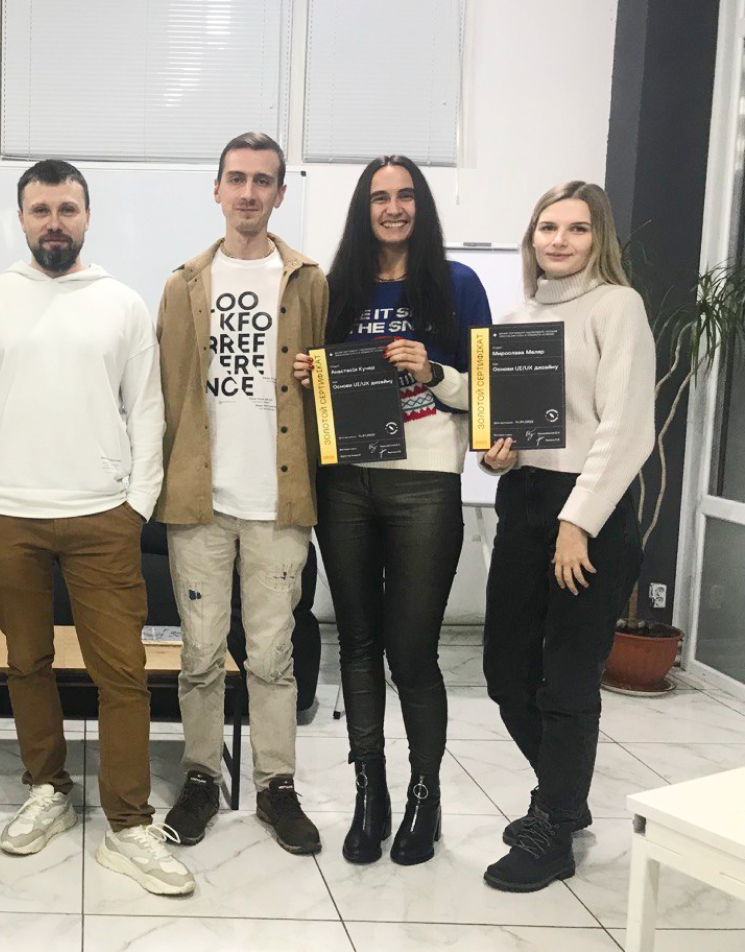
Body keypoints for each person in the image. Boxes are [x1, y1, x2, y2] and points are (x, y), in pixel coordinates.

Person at [0, 159, 193, 896]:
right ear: (21, 218)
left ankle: (129, 824)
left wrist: (136, 504)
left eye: (67, 209)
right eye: (41, 210)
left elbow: (147, 410)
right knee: (27, 662)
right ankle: (47, 788)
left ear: (87, 216)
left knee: (123, 674)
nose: (54, 222)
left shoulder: (120, 303)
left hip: (101, 516)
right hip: (7, 515)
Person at [293, 155, 492, 866]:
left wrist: (433, 371)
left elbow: (487, 392)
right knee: (357, 643)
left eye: (406, 195)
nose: (393, 207)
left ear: (421, 205)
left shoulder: (457, 284)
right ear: (364, 209)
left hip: (424, 483)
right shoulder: (334, 288)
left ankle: (424, 798)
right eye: (380, 197)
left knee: (411, 652)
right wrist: (308, 374)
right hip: (345, 480)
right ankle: (369, 794)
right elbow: (320, 384)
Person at [156, 132, 327, 854]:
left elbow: (330, 388)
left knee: (273, 655)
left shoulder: (309, 282)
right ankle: (200, 778)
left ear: (280, 193)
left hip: (278, 502)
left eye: (263, 180)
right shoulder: (183, 284)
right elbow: (164, 394)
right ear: (218, 189)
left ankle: (275, 786)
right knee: (199, 655)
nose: (249, 192)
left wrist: (319, 382)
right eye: (237, 178)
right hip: (200, 501)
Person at [479, 182, 654, 892]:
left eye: (576, 229)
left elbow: (625, 428)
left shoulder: (618, 306)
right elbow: (516, 426)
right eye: (547, 227)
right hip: (524, 499)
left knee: (569, 676)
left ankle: (552, 826)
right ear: (532, 237)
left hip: (590, 510)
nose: (558, 240)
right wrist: (498, 453)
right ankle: (565, 796)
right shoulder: (518, 317)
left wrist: (576, 523)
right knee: (504, 670)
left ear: (598, 237)